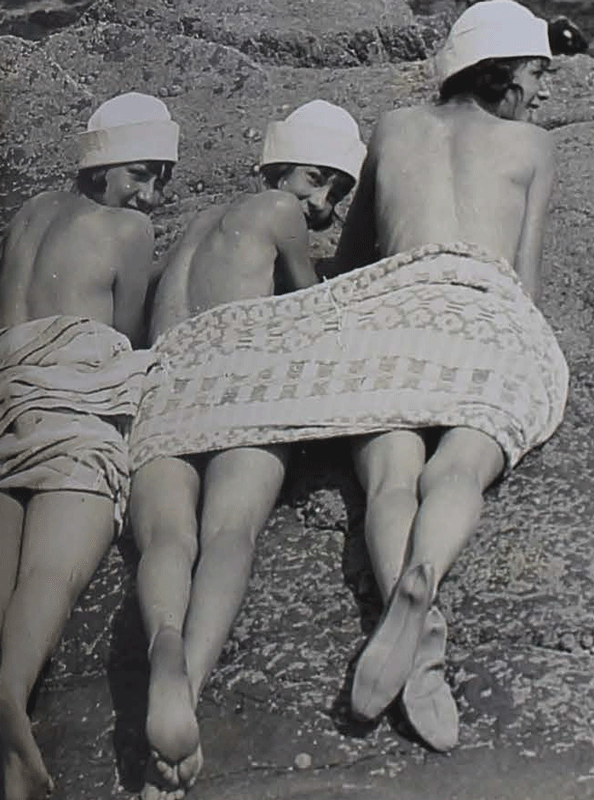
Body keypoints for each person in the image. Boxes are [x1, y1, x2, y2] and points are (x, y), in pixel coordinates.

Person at [334, 0, 567, 750]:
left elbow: (353, 258)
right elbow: (524, 280)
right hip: (486, 306)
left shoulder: (393, 127)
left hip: (397, 306)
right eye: (538, 74)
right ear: (505, 73)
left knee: (389, 478)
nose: (543, 92)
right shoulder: (532, 144)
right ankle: (423, 577)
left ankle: (415, 627)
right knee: (460, 465)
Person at [128, 99, 366, 799]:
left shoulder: (195, 223)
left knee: (166, 538)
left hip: (165, 382)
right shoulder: (280, 211)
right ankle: (188, 686)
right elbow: (308, 306)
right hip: (240, 372)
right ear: (285, 169)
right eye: (320, 183)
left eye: (334, 195)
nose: (322, 206)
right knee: (229, 533)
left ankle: (163, 644)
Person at [0, 91, 178, 800]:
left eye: (161, 180)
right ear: (101, 167)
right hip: (73, 407)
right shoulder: (129, 229)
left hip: (7, 401)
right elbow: (124, 335)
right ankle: (10, 698)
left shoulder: (27, 214)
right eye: (141, 174)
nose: (150, 195)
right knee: (50, 575)